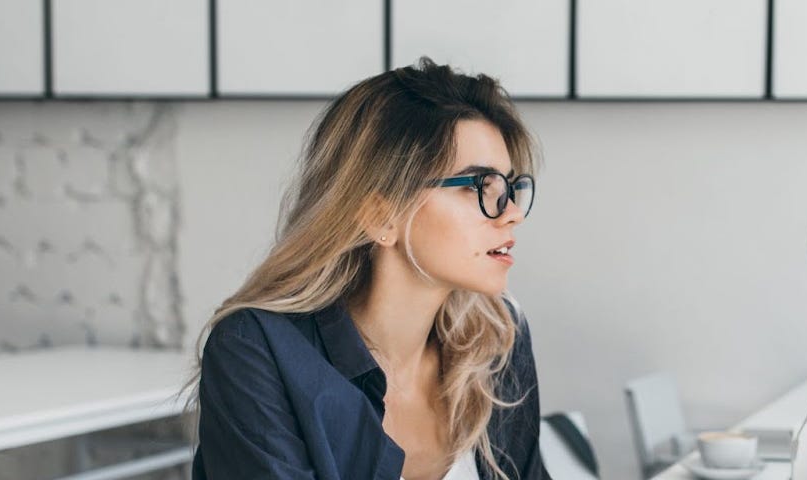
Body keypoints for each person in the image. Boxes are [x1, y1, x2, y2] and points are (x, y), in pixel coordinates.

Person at [187, 57, 547, 480]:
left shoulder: (497, 339)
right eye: (477, 187)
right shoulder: (256, 351)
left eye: (509, 188)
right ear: (380, 215)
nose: (511, 215)